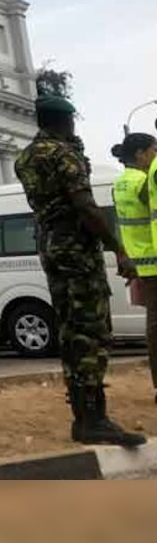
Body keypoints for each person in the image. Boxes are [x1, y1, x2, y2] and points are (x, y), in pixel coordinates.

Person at [15, 92, 144, 447]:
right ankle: (94, 419)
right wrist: (117, 248)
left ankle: (83, 416)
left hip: (50, 245)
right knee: (91, 331)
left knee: (71, 330)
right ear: (64, 121)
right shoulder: (64, 154)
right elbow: (85, 205)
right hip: (76, 248)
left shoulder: (26, 157)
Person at [113, 132, 157, 404]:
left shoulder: (119, 183)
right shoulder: (144, 181)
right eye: (153, 150)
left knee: (153, 326)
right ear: (140, 154)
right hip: (153, 261)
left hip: (140, 263)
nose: (155, 155)